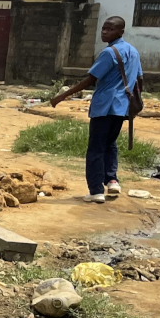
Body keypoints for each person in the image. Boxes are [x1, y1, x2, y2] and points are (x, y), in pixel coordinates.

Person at [50, 16, 143, 202]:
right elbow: (139, 79)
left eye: (110, 29)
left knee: (95, 148)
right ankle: (112, 180)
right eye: (104, 29)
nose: (105, 32)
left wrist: (62, 95)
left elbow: (91, 79)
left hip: (104, 107)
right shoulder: (133, 51)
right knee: (110, 144)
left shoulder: (109, 53)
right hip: (122, 107)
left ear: (120, 32)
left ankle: (95, 191)